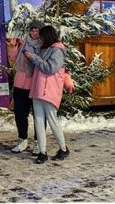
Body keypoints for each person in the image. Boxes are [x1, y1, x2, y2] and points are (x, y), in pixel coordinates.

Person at [24, 25, 74, 164]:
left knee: (52, 120)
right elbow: (39, 66)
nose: (40, 39)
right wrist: (31, 59)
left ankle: (63, 149)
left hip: (49, 90)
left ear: (47, 36)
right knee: (39, 122)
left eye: (41, 37)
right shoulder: (44, 49)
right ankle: (42, 152)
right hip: (38, 89)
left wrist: (34, 57)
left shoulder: (57, 50)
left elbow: (49, 68)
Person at [7, 20, 42, 153]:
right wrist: (12, 47)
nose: (34, 33)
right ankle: (22, 140)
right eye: (32, 30)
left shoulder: (45, 45)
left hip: (36, 83)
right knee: (20, 114)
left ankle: (39, 142)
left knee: (38, 115)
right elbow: (13, 60)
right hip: (20, 82)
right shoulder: (23, 43)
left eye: (37, 30)